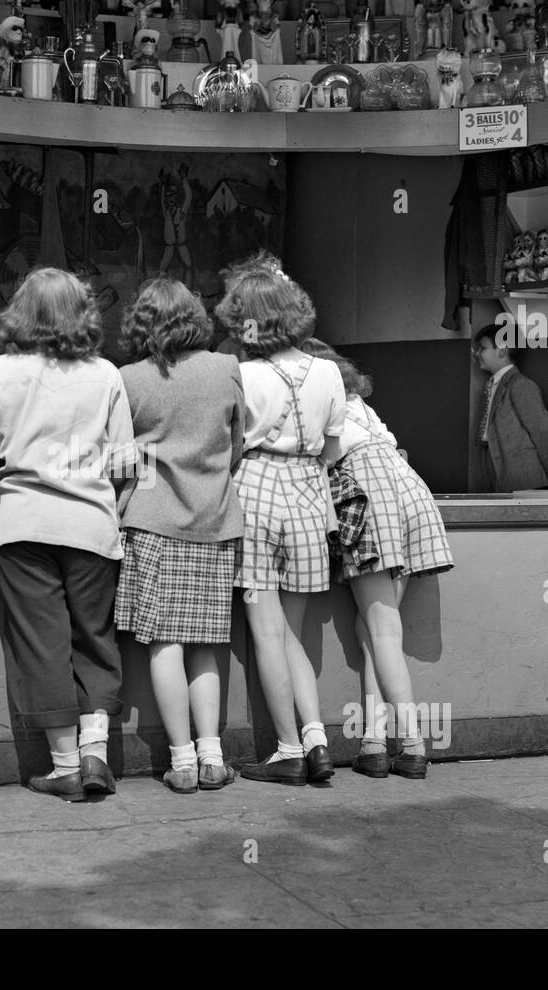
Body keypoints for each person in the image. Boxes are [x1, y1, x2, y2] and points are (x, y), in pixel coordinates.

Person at [0, 267, 138, 802]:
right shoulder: (106, 374)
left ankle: (64, 765)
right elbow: (124, 463)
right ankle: (96, 754)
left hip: (20, 523)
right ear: (83, 313)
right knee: (94, 638)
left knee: (41, 643)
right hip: (92, 524)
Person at [215, 266, 346, 787]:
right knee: (295, 631)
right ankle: (316, 738)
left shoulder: (241, 374)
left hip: (257, 487)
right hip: (311, 493)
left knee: (267, 632)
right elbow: (333, 451)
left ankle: (288, 750)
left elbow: (230, 450)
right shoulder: (329, 371)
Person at [117, 278, 245, 794]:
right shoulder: (226, 368)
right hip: (215, 519)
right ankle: (213, 756)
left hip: (151, 520)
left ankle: (182, 761)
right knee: (206, 643)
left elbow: (120, 458)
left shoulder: (128, 378)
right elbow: (237, 447)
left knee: (163, 643)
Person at [314, 347, 454, 780]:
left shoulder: (322, 404)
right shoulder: (362, 407)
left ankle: (411, 745)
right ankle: (374, 743)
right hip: (408, 489)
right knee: (373, 627)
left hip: (367, 491)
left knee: (381, 630)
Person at [474, 323, 548, 492]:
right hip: (501, 476)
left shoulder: (520, 385)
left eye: (482, 348)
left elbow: (544, 434)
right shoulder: (493, 384)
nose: (477, 354)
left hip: (525, 480)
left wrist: (541, 475)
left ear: (502, 350)